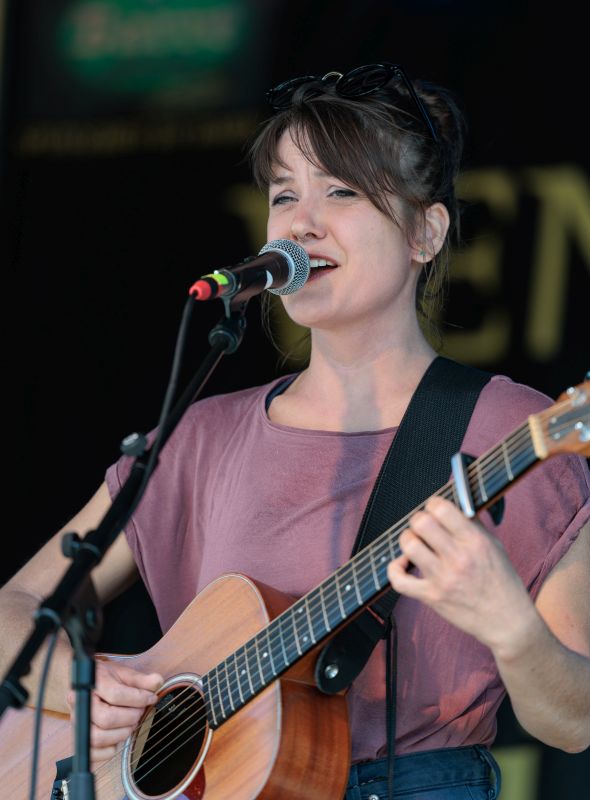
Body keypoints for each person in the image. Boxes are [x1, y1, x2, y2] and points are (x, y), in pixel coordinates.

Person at [1, 63, 589, 800]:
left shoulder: (515, 431)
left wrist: (512, 629)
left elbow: (574, 722)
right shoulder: (200, 437)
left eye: (342, 191)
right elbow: (15, 609)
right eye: (284, 195)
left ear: (426, 232)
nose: (300, 224)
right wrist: (76, 682)